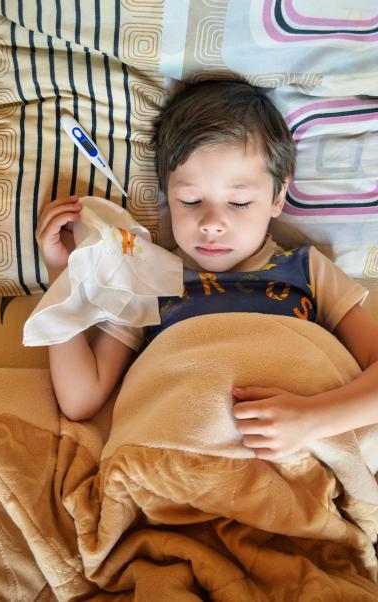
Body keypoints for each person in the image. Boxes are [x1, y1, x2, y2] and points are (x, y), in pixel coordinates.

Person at [36, 79, 378, 459]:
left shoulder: (308, 268)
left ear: (278, 197)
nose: (211, 222)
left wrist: (312, 419)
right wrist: (63, 275)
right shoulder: (148, 277)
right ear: (169, 194)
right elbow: (81, 399)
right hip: (184, 457)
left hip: (296, 456)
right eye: (191, 199)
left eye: (240, 202)